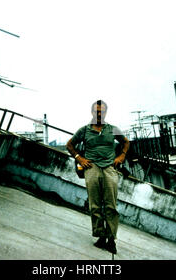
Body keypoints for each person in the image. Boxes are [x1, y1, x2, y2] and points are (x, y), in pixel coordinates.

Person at [66, 100, 129, 254]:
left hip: (109, 168)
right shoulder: (84, 130)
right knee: (95, 205)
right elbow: (70, 144)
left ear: (106, 113)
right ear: (92, 112)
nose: (99, 114)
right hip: (91, 168)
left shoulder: (112, 129)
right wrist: (79, 158)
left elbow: (126, 142)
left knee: (111, 205)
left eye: (102, 111)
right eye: (96, 111)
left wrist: (121, 156)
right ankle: (101, 236)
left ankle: (111, 239)